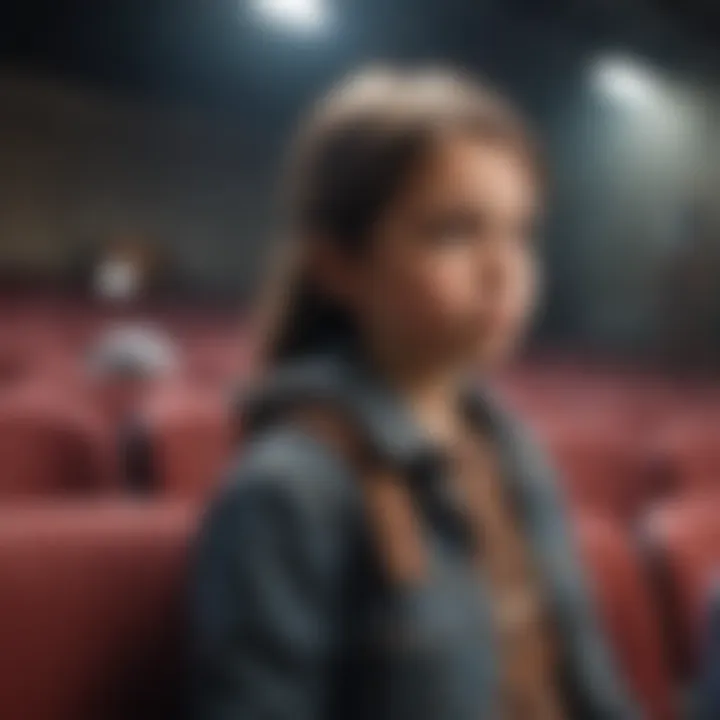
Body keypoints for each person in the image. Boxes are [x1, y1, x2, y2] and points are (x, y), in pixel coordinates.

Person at [191, 66, 639, 719]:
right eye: (454, 231)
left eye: (519, 232)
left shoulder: (516, 453)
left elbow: (589, 682)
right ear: (339, 267)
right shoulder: (289, 491)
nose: (504, 269)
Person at [87, 323, 179, 492]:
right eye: (121, 384)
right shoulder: (87, 438)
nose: (129, 393)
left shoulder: (171, 433)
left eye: (139, 383)